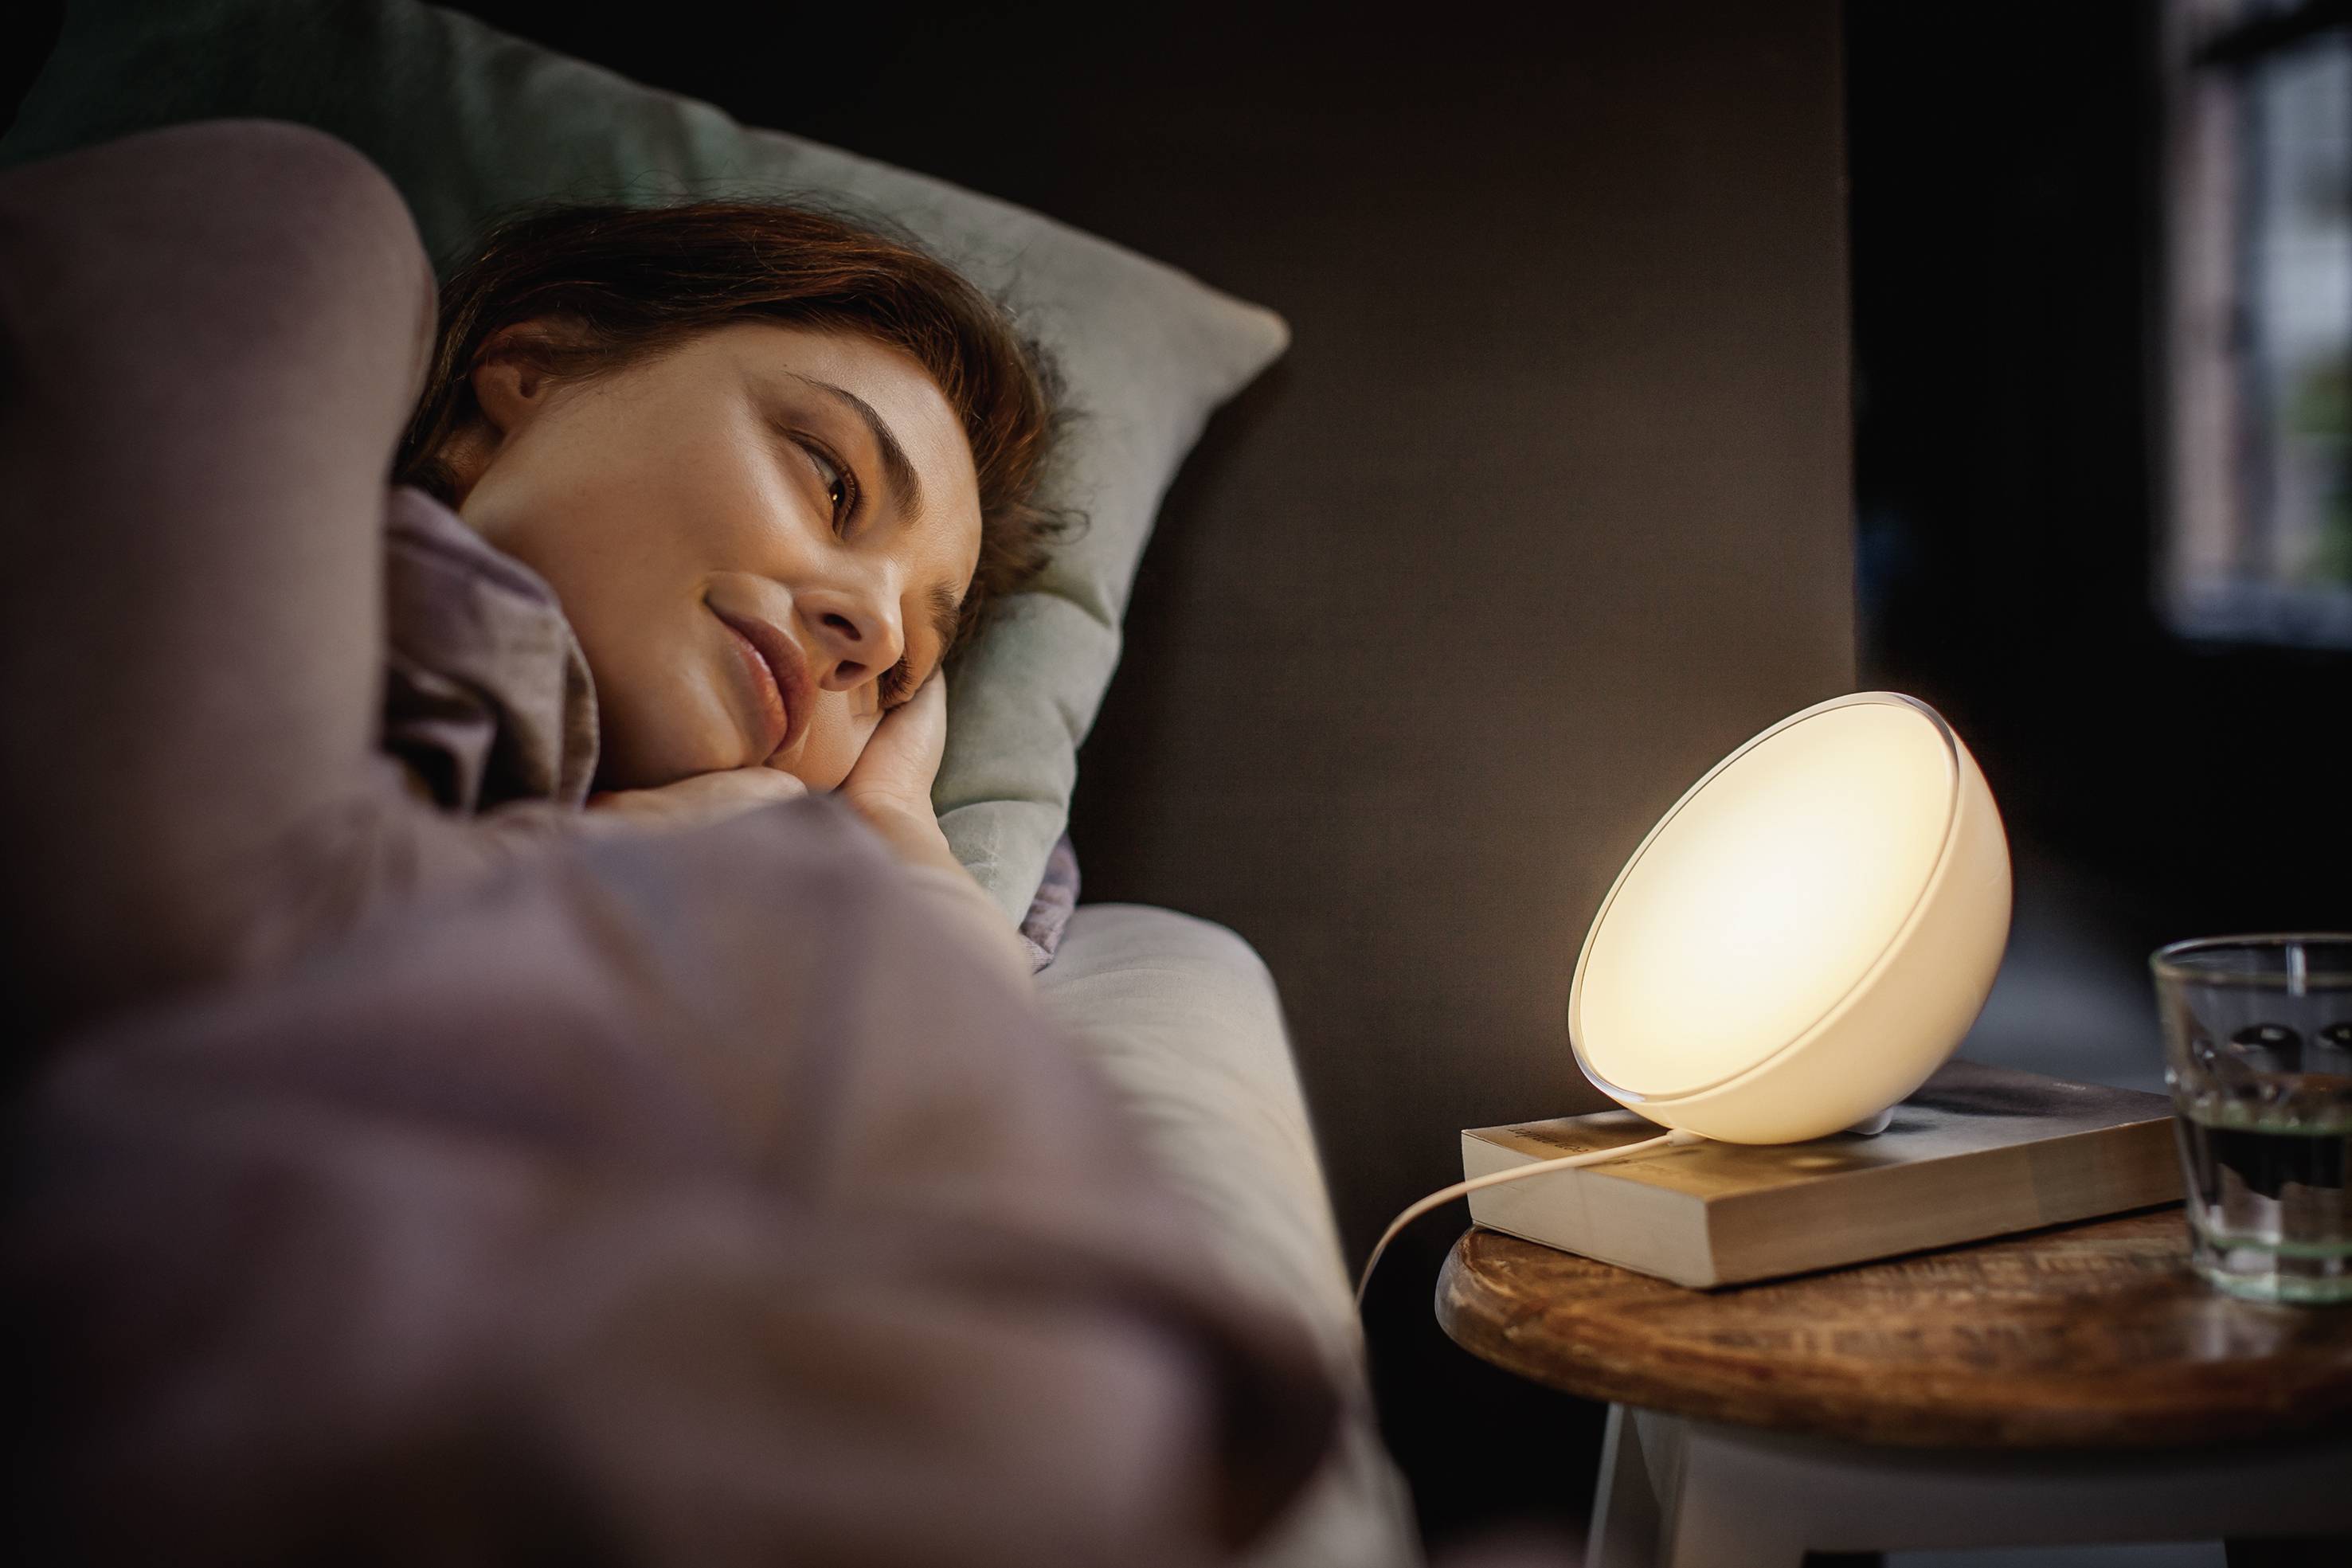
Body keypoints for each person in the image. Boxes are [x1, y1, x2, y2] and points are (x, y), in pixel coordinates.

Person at [0, 118, 1339, 1564]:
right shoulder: (287, 224)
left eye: (901, 672)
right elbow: (180, 937)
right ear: (532, 367)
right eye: (831, 479)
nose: (868, 626)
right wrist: (695, 834)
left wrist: (902, 849)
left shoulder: (652, 921)